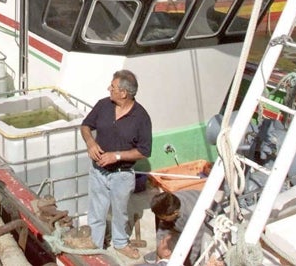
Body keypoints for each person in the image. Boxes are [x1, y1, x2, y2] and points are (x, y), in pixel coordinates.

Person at [80, 69, 152, 260]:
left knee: (120, 212)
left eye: (112, 87)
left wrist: (116, 156)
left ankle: (120, 243)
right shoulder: (103, 105)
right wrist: (90, 143)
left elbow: (144, 151)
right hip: (97, 172)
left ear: (124, 93)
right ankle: (95, 243)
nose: (108, 89)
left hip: (122, 175)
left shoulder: (141, 118)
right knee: (96, 210)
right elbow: (85, 125)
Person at [146, 189, 205, 264]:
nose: (161, 221)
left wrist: (189, 262)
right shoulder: (168, 202)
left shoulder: (194, 217)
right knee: (169, 236)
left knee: (201, 252)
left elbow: (197, 243)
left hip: (209, 221)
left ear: (175, 213)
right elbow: (162, 228)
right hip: (185, 214)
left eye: (164, 218)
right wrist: (159, 250)